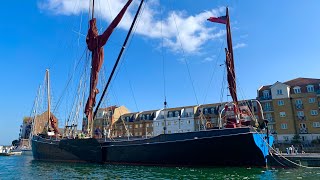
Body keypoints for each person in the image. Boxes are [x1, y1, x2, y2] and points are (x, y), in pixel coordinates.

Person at [85, 0, 133, 123]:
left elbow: (113, 25)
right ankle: (90, 106)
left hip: (95, 69)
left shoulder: (98, 42)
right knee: (93, 78)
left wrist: (127, 4)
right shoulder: (95, 44)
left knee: (94, 78)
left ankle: (90, 106)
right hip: (94, 70)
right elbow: (112, 26)